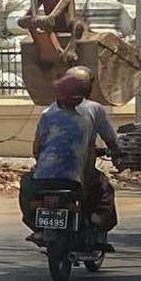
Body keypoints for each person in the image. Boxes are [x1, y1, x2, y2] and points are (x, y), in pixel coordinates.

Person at [22, 65, 120, 247]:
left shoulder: (47, 113)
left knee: (26, 185)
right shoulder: (94, 110)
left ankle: (38, 228)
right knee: (104, 190)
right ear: (87, 89)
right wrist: (117, 155)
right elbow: (111, 140)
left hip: (42, 179)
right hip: (77, 179)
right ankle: (96, 224)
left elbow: (36, 149)